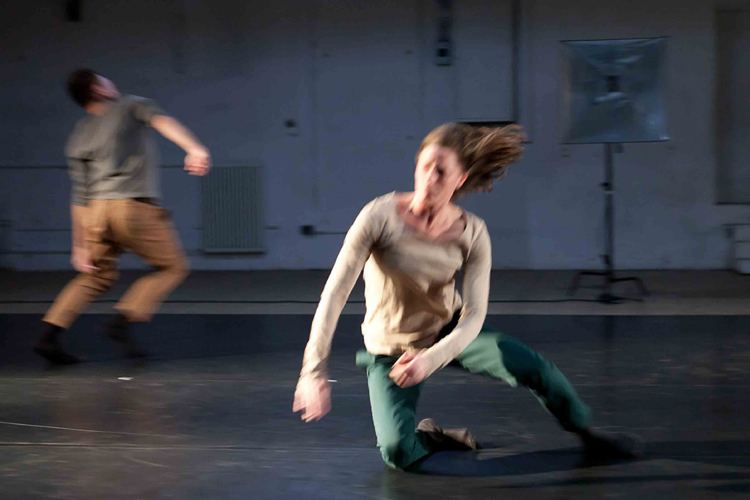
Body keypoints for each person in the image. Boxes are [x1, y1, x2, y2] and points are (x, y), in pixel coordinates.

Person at [293, 122, 640, 470]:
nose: (429, 178)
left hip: (449, 331)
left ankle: (587, 432)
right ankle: (433, 436)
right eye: (424, 167)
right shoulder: (378, 216)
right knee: (397, 451)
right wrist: (313, 370)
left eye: (441, 172)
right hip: (391, 348)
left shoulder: (472, 232)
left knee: (538, 369)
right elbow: (334, 294)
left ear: (460, 179)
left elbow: (474, 315)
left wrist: (431, 358)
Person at [33, 69, 211, 364]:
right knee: (172, 267)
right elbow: (162, 121)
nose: (111, 82)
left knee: (95, 276)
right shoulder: (131, 104)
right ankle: (123, 320)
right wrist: (194, 148)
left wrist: (79, 245)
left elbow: (79, 193)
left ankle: (47, 337)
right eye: (104, 80)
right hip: (131, 208)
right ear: (98, 89)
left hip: (95, 213)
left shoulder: (79, 134)